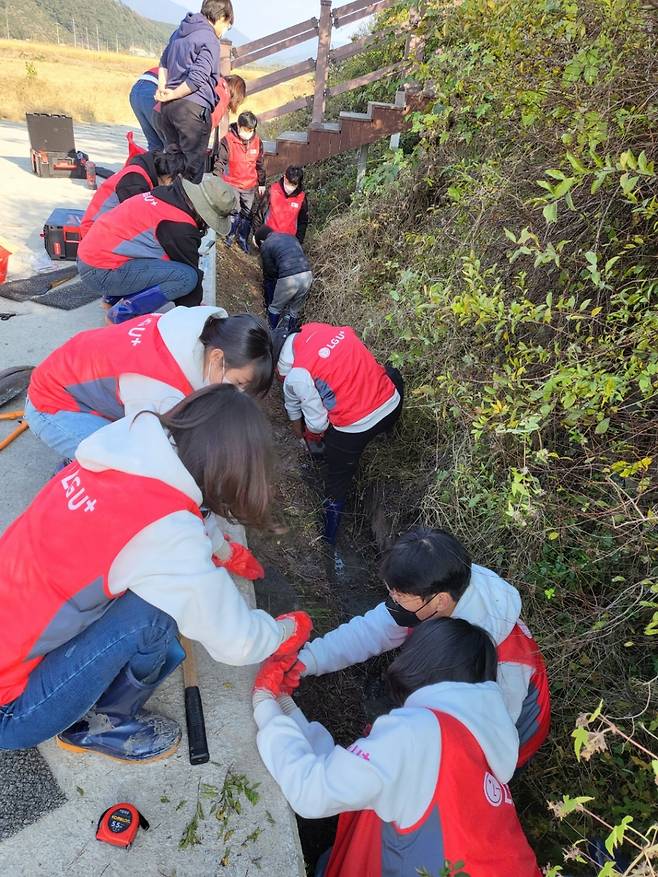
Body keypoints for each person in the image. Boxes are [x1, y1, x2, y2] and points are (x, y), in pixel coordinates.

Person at [0, 385, 313, 762]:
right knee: (154, 615)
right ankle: (107, 724)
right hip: (10, 710)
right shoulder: (165, 533)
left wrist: (222, 551)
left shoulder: (124, 445)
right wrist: (282, 632)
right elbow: (237, 643)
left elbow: (189, 506)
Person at [252, 617, 542, 876]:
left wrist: (265, 706)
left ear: (419, 662)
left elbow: (313, 791)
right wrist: (286, 708)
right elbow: (348, 772)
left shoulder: (419, 732)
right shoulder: (482, 738)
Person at [288, 527, 551, 768]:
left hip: (510, 733)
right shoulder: (437, 586)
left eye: (401, 596)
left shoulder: (502, 663)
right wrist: (307, 661)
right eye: (392, 592)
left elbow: (489, 746)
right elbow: (368, 633)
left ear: (439, 601)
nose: (394, 600)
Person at [24, 306, 273, 460]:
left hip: (74, 380)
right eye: (239, 382)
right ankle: (75, 469)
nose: (237, 392)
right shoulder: (159, 388)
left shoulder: (186, 333)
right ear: (218, 357)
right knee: (127, 471)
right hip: (52, 403)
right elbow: (157, 457)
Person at [274, 320, 404, 543]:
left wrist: (307, 437)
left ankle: (329, 538)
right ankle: (388, 434)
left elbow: (317, 425)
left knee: (338, 480)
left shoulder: (298, 373)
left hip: (353, 430)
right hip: (391, 404)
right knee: (392, 373)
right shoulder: (326, 331)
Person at [77, 174, 236, 323]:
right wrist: (196, 315)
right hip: (99, 272)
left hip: (91, 257)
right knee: (187, 277)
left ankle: (110, 298)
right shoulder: (180, 227)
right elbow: (190, 272)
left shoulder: (167, 196)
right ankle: (120, 315)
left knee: (156, 257)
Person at [157, 0, 235, 183]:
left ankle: (167, 207)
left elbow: (163, 62)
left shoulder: (179, 32)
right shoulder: (210, 39)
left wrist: (164, 90)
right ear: (222, 17)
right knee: (191, 173)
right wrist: (173, 93)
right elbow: (197, 79)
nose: (224, 30)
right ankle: (183, 210)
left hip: (168, 110)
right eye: (227, 25)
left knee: (173, 165)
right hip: (192, 111)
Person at [79, 146, 187, 238]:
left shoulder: (144, 170)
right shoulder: (135, 182)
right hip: (95, 235)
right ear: (170, 178)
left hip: (104, 229)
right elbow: (136, 225)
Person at [214, 110, 266, 253]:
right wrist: (216, 181)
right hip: (232, 184)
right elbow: (220, 162)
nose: (248, 133)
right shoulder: (227, 141)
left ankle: (242, 238)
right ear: (238, 126)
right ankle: (230, 235)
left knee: (247, 213)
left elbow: (260, 164)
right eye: (246, 130)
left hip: (249, 185)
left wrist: (262, 183)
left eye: (251, 130)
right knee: (234, 211)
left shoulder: (257, 142)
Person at [254, 226, 313, 328]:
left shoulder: (266, 245)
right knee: (294, 310)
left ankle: (272, 334)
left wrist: (269, 296)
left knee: (275, 308)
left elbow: (270, 273)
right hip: (307, 275)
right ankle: (288, 335)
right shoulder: (290, 237)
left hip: (289, 278)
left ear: (262, 240)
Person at [254, 165, 309, 244]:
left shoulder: (302, 198)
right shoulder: (272, 190)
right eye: (288, 183)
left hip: (288, 240)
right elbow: (260, 213)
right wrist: (256, 234)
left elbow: (302, 223)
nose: (290, 187)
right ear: (284, 177)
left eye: (293, 185)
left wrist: (298, 242)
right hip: (268, 237)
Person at [129, 67, 164, 151]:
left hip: (137, 89)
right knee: (171, 143)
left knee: (155, 144)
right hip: (153, 89)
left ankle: (153, 162)